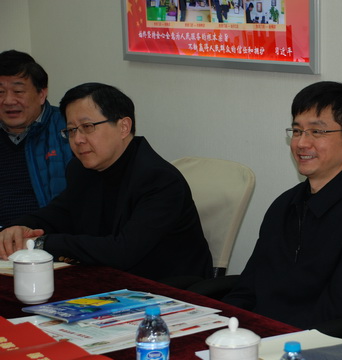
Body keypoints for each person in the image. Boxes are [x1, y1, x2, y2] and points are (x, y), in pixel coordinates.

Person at [0, 83, 212, 281]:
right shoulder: (81, 169)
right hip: (108, 281)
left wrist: (42, 243)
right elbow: (59, 213)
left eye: (87, 126)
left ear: (123, 127)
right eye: (71, 130)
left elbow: (123, 251)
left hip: (167, 290)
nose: (78, 139)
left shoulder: (159, 179)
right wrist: (20, 228)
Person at [222, 81, 342, 329]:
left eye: (317, 132)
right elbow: (248, 288)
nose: (302, 143)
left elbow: (339, 313)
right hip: (255, 335)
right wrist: (223, 325)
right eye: (297, 131)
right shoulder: (284, 204)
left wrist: (267, 335)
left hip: (308, 344)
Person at [0, 50, 73, 229]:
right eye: (0, 92)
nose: (8, 101)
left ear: (42, 94)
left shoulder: (69, 129)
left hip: (47, 236)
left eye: (18, 91)